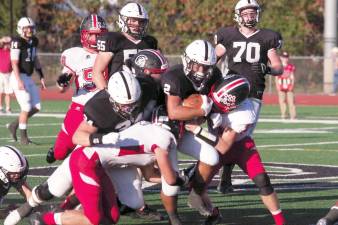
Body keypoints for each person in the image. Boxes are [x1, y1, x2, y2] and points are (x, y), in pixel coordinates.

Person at [185, 74, 287, 225]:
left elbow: (224, 146)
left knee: (262, 180)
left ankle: (280, 221)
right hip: (214, 148)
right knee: (196, 187)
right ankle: (213, 213)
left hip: (239, 147)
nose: (215, 104)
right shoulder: (210, 90)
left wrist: (198, 131)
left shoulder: (244, 112)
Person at [214, 0, 283, 193]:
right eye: (246, 13)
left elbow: (278, 67)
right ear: (238, 15)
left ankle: (218, 175)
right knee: (225, 132)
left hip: (253, 92)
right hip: (228, 91)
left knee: (238, 134)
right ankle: (217, 176)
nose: (250, 16)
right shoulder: (227, 35)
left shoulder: (267, 37)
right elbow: (212, 58)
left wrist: (267, 68)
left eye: (253, 13)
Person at [161, 39, 222, 218]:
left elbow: (214, 103)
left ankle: (196, 194)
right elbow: (173, 112)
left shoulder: (214, 74)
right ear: (187, 60)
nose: (202, 72)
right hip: (167, 131)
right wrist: (201, 110)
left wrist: (205, 115)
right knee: (170, 185)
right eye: (197, 66)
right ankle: (173, 218)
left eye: (206, 67)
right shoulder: (174, 76)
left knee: (212, 157)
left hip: (188, 128)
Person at [45, 14, 108, 164]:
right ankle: (56, 150)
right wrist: (63, 83)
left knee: (94, 151)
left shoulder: (111, 54)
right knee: (60, 153)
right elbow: (63, 87)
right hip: (80, 107)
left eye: (99, 35)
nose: (95, 39)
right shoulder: (75, 55)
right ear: (84, 35)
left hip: (104, 107)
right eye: (91, 35)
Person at [92, 2, 158, 90]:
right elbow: (97, 73)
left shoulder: (149, 42)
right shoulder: (113, 40)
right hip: (119, 90)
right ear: (122, 20)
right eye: (133, 20)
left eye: (140, 21)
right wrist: (108, 93)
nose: (137, 24)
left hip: (143, 89)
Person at [7, 17, 47, 145]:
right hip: (18, 76)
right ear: (21, 29)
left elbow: (35, 59)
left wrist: (41, 76)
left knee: (37, 107)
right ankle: (24, 138)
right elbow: (14, 62)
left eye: (31, 28)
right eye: (26, 28)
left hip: (28, 77)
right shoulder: (17, 41)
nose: (29, 30)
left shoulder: (34, 41)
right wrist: (18, 81)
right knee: (26, 107)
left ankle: (14, 125)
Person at [0, 145, 31, 221]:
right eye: (14, 174)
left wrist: (35, 204)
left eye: (20, 173)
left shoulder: (9, 175)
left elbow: (28, 193)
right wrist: (7, 213)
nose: (17, 176)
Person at [275, 51, 296, 120]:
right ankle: (283, 114)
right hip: (281, 86)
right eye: (284, 57)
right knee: (282, 101)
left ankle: (293, 115)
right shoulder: (278, 66)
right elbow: (276, 77)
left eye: (286, 57)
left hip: (289, 85)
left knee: (291, 101)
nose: (285, 59)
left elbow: (292, 77)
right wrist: (277, 85)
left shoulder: (291, 66)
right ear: (281, 58)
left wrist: (292, 85)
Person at [0, 36, 13, 114]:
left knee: (8, 92)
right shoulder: (0, 50)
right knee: (0, 91)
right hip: (0, 74)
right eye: (6, 44)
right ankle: (0, 108)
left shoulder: (11, 52)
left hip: (9, 74)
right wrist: (2, 40)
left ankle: (8, 108)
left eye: (8, 44)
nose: (7, 45)